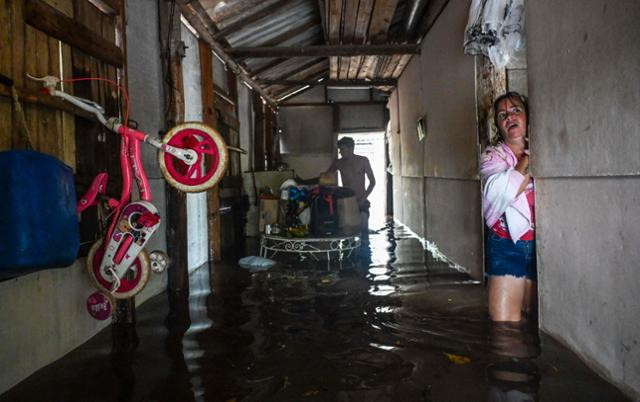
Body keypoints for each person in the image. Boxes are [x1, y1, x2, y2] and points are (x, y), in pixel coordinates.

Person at [480, 92, 536, 322]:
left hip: (544, 246)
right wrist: (530, 158)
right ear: (499, 126)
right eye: (502, 115)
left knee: (537, 323)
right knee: (505, 327)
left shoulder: (550, 144)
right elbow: (501, 192)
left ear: (527, 116)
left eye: (515, 110)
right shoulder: (492, 157)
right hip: (507, 245)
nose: (509, 116)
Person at [326, 137, 376, 233]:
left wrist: (363, 198)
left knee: (364, 229)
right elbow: (326, 177)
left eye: (342, 149)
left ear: (351, 148)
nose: (340, 152)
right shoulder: (339, 163)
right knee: (347, 232)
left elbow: (372, 182)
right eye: (339, 149)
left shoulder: (363, 160)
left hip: (361, 199)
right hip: (347, 201)